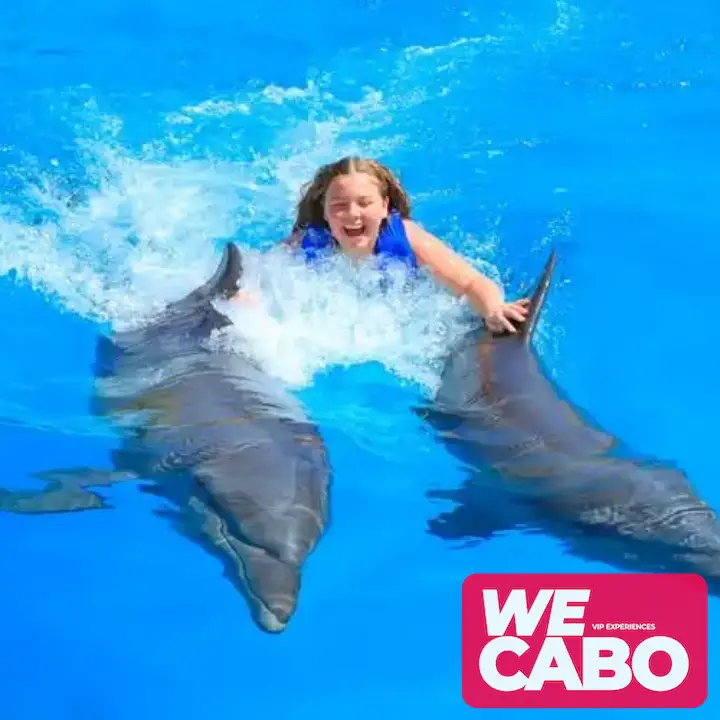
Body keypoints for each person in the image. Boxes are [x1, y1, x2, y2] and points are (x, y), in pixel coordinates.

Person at [241, 156, 529, 334]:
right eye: (339, 206)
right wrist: (246, 299)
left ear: (384, 207)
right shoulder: (307, 244)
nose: (353, 213)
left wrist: (493, 308)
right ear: (325, 213)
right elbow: (255, 273)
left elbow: (470, 283)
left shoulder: (406, 236)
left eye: (365, 203)